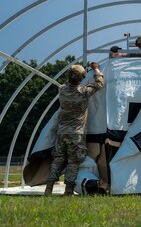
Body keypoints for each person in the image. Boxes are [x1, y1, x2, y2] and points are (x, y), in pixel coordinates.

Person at [44, 62, 104, 196]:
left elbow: (68, 82)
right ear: (82, 77)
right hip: (76, 134)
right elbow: (99, 83)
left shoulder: (62, 90)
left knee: (58, 160)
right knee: (73, 162)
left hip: (62, 132)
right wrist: (95, 69)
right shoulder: (83, 92)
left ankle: (48, 188)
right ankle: (68, 190)